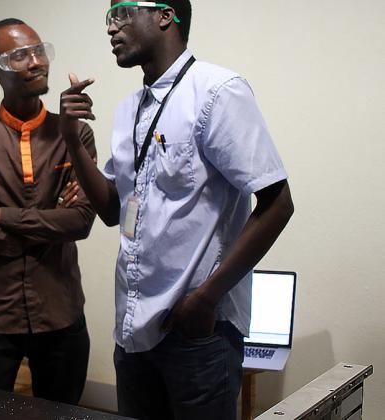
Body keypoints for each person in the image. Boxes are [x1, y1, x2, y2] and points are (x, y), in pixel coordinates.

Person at [58, 1, 295, 418]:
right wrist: (73, 140)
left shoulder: (218, 92)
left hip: (198, 332)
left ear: (165, 15)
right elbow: (114, 209)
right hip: (132, 329)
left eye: (123, 13)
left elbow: (278, 203)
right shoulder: (129, 109)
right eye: (108, 19)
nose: (112, 29)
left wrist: (205, 299)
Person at [0, 18, 97, 404]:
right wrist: (47, 227)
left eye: (39, 50)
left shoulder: (74, 133)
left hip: (60, 312)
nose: (35, 61)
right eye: (19, 55)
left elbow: (79, 222)